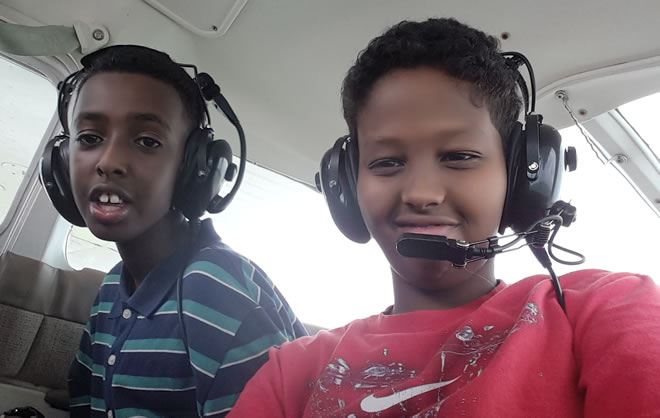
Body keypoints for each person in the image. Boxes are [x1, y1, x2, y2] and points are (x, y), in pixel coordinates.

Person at [228, 18, 660, 417]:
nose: (421, 193)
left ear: (519, 177)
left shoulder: (603, 312)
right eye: (386, 162)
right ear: (345, 185)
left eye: (459, 156)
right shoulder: (291, 374)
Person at [45, 45, 307, 417]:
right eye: (89, 138)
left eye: (147, 141)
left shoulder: (215, 288)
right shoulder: (113, 287)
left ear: (194, 168)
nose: (109, 162)